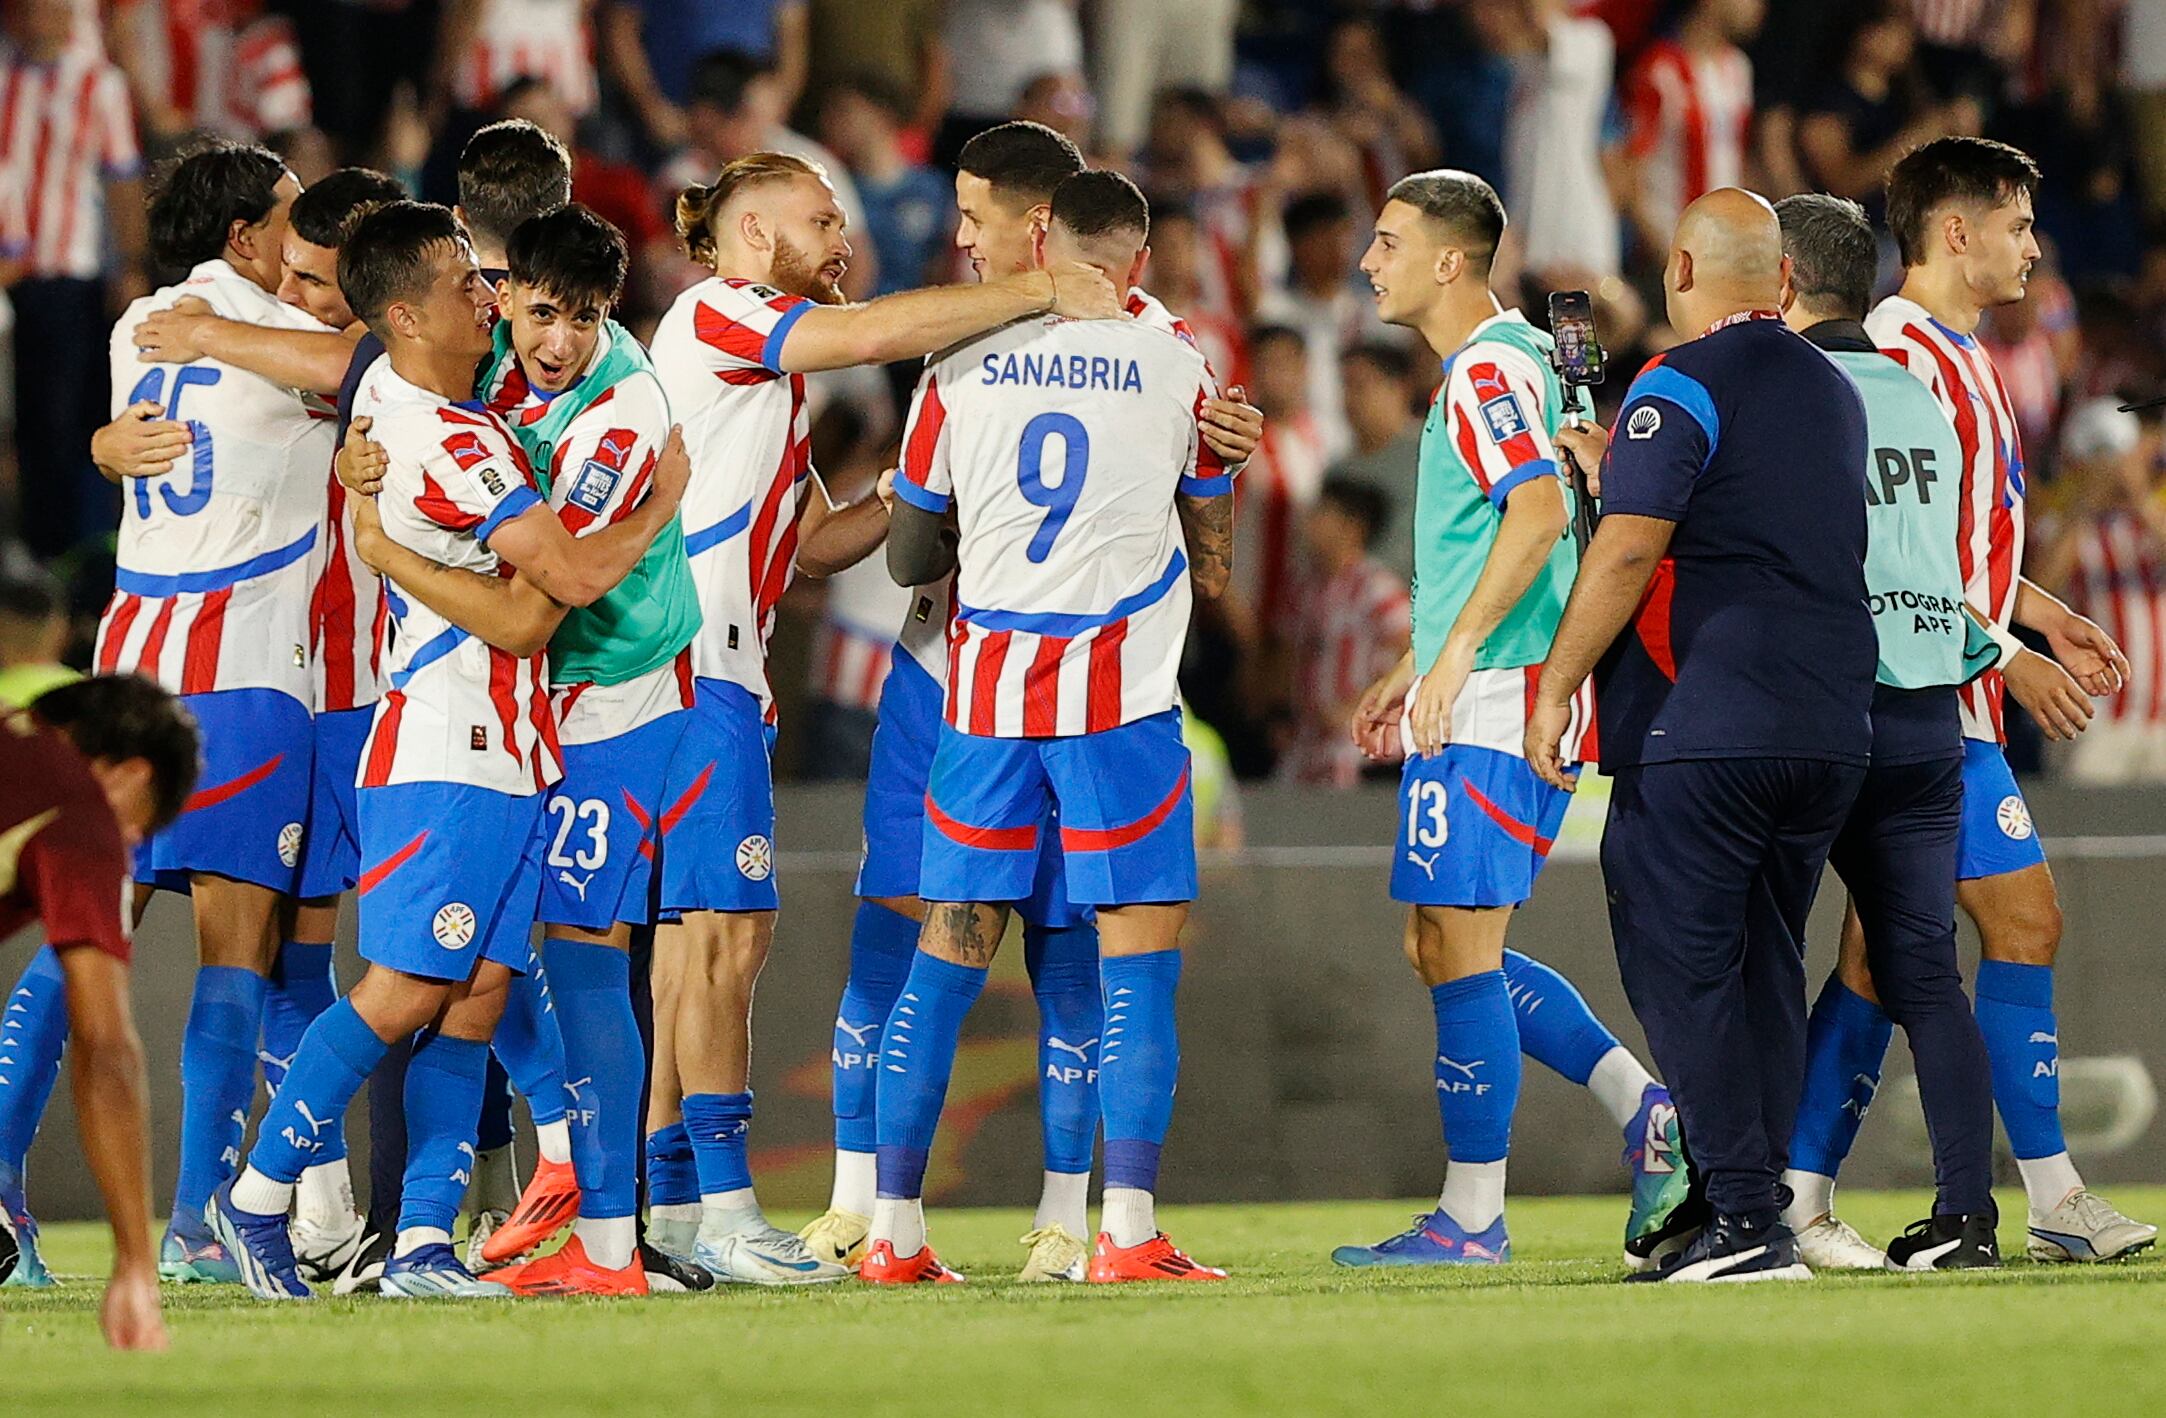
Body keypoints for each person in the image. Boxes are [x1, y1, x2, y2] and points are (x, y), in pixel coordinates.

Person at [790, 119, 1264, 1286]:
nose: (960, 234)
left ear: (1043, 232)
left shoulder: (959, 358)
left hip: (980, 697)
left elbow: (907, 558)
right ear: (1137, 258)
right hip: (1117, 706)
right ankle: (1120, 1226)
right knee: (1126, 964)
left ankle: (892, 1231)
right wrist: (1211, 484)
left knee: (942, 961)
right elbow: (1212, 560)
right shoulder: (1178, 361)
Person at [640, 145, 1117, 1285]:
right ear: (755, 235)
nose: (843, 237)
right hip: (697, 662)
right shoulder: (721, 314)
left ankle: (656, 1205)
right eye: (821, 217)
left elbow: (811, 541)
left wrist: (935, 496)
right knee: (727, 935)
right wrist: (1043, 288)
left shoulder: (766, 379)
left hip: (722, 668)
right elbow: (870, 335)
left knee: (689, 945)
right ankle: (723, 1207)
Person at [206, 199, 685, 1300]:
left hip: (506, 749)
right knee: (404, 988)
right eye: (469, 284)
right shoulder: (457, 440)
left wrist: (374, 528)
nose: (491, 295)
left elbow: (358, 373)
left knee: (472, 994)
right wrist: (660, 506)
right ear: (411, 314)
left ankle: (422, 1241)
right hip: (448, 742)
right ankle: (258, 1194)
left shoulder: (396, 392)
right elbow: (545, 601)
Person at [340, 204, 701, 1297]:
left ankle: (604, 1236)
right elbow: (379, 375)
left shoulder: (623, 413)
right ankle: (552, 1184)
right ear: (506, 300)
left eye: (585, 319)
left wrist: (662, 505)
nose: (559, 343)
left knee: (583, 956)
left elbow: (567, 585)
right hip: (528, 706)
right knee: (497, 955)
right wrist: (362, 452)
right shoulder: (475, 352)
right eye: (544, 313)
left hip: (609, 697)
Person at [1332, 170, 1683, 1270]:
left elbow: (1535, 513)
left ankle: (1474, 1214)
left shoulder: (1485, 367)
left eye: (1388, 242)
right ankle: (1645, 1110)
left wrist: (1457, 660)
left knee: (1461, 944)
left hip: (1504, 689)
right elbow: (1533, 522)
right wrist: (1415, 659)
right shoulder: (1530, 353)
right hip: (1516, 677)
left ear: (1449, 259)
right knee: (1440, 941)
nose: (1367, 261)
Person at [1530, 188, 1878, 1283]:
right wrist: (1622, 459)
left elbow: (1630, 551)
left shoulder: (1672, 384)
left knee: (1684, 969)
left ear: (1681, 269)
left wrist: (1556, 686)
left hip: (1706, 720)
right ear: (1780, 277)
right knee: (1767, 964)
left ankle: (1741, 1224)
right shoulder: (1834, 388)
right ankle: (1749, 1201)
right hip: (1829, 726)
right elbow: (1751, 514)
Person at [1845, 136, 2154, 1261]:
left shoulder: (1968, 353)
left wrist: (2039, 612)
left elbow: (1956, 539)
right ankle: (2055, 1194)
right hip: (1913, 688)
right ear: (1957, 230)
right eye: (2019, 222)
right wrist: (2004, 652)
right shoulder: (1893, 353)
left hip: (1955, 681)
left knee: (1878, 956)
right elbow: (1885, 550)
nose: (2036, 242)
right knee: (2017, 920)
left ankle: (1787, 1186)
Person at [89, 141, 330, 1286]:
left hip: (126, 660)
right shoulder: (280, 349)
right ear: (244, 238)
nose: (310, 238)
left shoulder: (134, 324)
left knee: (89, 931)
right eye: (292, 218)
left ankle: (3, 1199)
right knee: (237, 951)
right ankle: (195, 1218)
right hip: (235, 667)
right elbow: (382, 362)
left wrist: (95, 443)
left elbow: (134, 446)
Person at [1771, 193, 2003, 1271]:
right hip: (1928, 713)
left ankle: (1745, 1202)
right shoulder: (1921, 399)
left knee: (1748, 951)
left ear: (1783, 278)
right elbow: (1943, 563)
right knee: (1926, 973)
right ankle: (1968, 1216)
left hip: (1824, 707)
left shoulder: (1794, 393)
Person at [2, 673, 199, 1348]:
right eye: (149, 819)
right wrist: (134, 1265)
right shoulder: (79, 808)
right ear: (131, 774)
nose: (136, 840)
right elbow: (107, 1047)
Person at [1, 0, 148, 561]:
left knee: (63, 422)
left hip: (68, 277)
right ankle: (33, 548)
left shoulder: (99, 85)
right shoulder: (4, 78)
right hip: (10, 277)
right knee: (23, 424)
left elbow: (122, 176)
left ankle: (70, 554)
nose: (45, 19)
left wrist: (130, 264)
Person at [2035, 401, 2166, 785]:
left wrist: (2138, 496)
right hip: (2096, 722)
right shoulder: (2068, 526)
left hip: (2160, 722)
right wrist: (2087, 500)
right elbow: (2040, 584)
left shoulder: (2155, 516)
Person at [1280, 478, 1407, 788]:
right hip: (1307, 744)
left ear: (1353, 527)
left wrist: (1358, 708)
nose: (1310, 523)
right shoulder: (1305, 590)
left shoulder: (1378, 589)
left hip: (1359, 749)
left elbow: (1410, 654)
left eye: (1323, 514)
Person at [1621, 0, 1762, 258]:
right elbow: (1630, 176)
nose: (1758, 7)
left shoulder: (1738, 68)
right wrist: (1667, 254)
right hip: (1668, 249)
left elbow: (1737, 163)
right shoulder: (1660, 70)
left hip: (1720, 255)